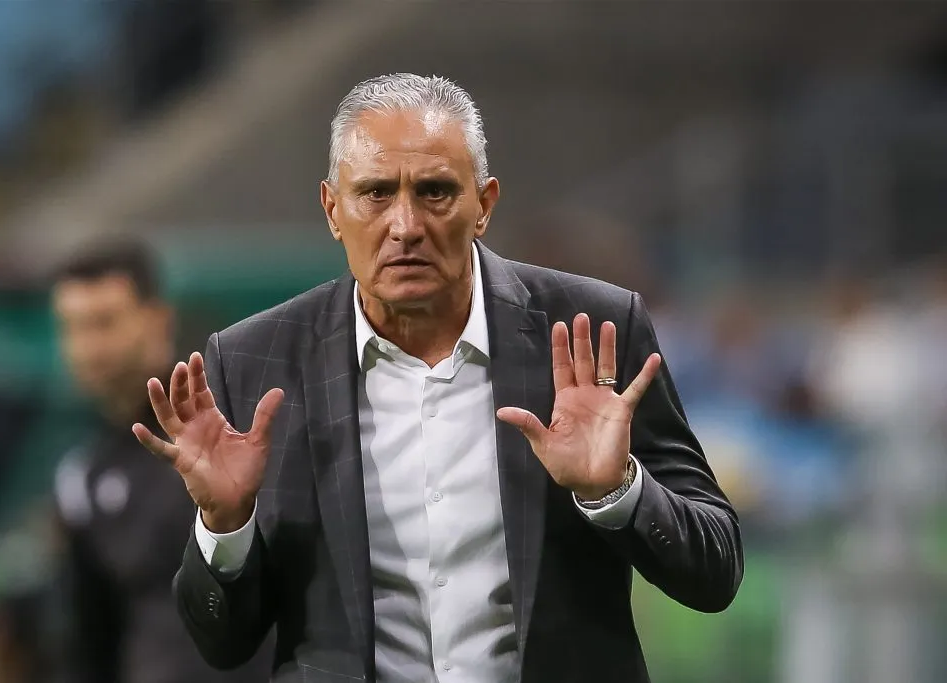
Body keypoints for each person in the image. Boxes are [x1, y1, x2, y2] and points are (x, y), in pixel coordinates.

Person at [134, 74, 744, 682]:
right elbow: (222, 643)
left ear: (484, 205)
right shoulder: (253, 362)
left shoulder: (594, 331)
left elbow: (716, 572)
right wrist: (226, 525)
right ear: (331, 209)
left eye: (434, 192)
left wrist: (615, 491)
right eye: (374, 193)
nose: (405, 226)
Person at [49, 240, 271, 683]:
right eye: (72, 327)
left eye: (104, 323)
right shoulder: (81, 476)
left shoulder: (238, 431)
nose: (88, 347)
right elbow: (91, 638)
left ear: (158, 320)